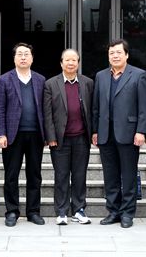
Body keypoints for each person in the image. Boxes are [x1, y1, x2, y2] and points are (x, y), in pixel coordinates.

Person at [92, 39, 146, 229]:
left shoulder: (138, 75)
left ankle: (127, 213)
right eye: (111, 53)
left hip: (129, 133)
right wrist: (95, 130)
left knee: (129, 175)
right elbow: (96, 107)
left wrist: (141, 130)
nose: (115, 56)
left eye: (118, 52)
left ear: (126, 55)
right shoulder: (101, 76)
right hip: (105, 133)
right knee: (110, 176)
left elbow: (144, 107)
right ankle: (113, 211)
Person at [0, 42, 46, 227]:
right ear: (14, 58)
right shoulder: (4, 80)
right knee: (11, 175)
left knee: (35, 174)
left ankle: (33, 211)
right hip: (12, 135)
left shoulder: (40, 80)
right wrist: (1, 133)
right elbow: (0, 109)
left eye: (26, 54)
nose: (23, 57)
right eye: (20, 54)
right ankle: (12, 211)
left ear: (32, 58)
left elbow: (45, 108)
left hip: (35, 134)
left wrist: (47, 134)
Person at [43, 49, 94, 225]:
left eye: (74, 60)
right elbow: (47, 113)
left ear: (78, 63)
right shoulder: (51, 84)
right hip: (60, 139)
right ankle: (62, 211)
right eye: (67, 60)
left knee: (80, 175)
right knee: (61, 176)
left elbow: (93, 110)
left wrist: (93, 133)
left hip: (81, 138)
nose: (70, 63)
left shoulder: (87, 83)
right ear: (61, 63)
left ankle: (79, 210)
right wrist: (50, 136)